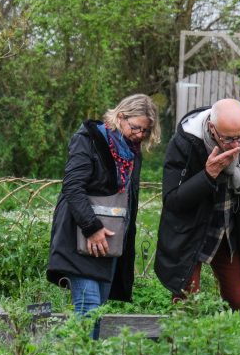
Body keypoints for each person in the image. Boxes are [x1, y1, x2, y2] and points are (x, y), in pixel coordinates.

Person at [47, 94, 161, 319]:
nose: (140, 135)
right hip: (80, 235)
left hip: (109, 242)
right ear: (120, 117)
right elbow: (72, 186)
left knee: (98, 310)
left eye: (146, 131)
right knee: (88, 309)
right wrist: (92, 227)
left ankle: (85, 354)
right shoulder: (89, 139)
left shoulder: (131, 153)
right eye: (136, 128)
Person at [155, 98, 240, 310]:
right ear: (211, 128)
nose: (237, 145)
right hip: (190, 228)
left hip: (229, 228)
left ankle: (233, 342)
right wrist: (208, 175)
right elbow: (172, 201)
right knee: (187, 303)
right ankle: (180, 343)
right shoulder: (185, 142)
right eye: (228, 139)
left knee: (239, 302)